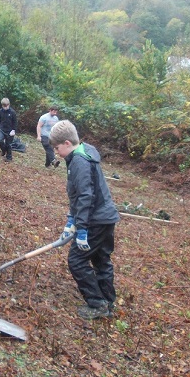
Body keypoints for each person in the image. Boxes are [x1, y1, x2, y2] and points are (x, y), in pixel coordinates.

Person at [49, 120, 120, 320]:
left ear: (67, 143)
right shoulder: (84, 152)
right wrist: (71, 219)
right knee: (101, 259)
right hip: (105, 217)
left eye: (57, 148)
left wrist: (81, 229)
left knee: (77, 261)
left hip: (95, 220)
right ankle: (107, 301)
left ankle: (97, 304)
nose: (56, 152)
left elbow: (85, 196)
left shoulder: (79, 161)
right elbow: (80, 194)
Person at [0, 97, 17, 162]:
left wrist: (13, 130)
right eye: (4, 106)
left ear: (9, 105)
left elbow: (15, 122)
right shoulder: (0, 111)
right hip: (2, 130)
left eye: (7, 106)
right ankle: (3, 150)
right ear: (2, 105)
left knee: (9, 144)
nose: (5, 107)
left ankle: (9, 158)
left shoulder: (12, 112)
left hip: (10, 131)